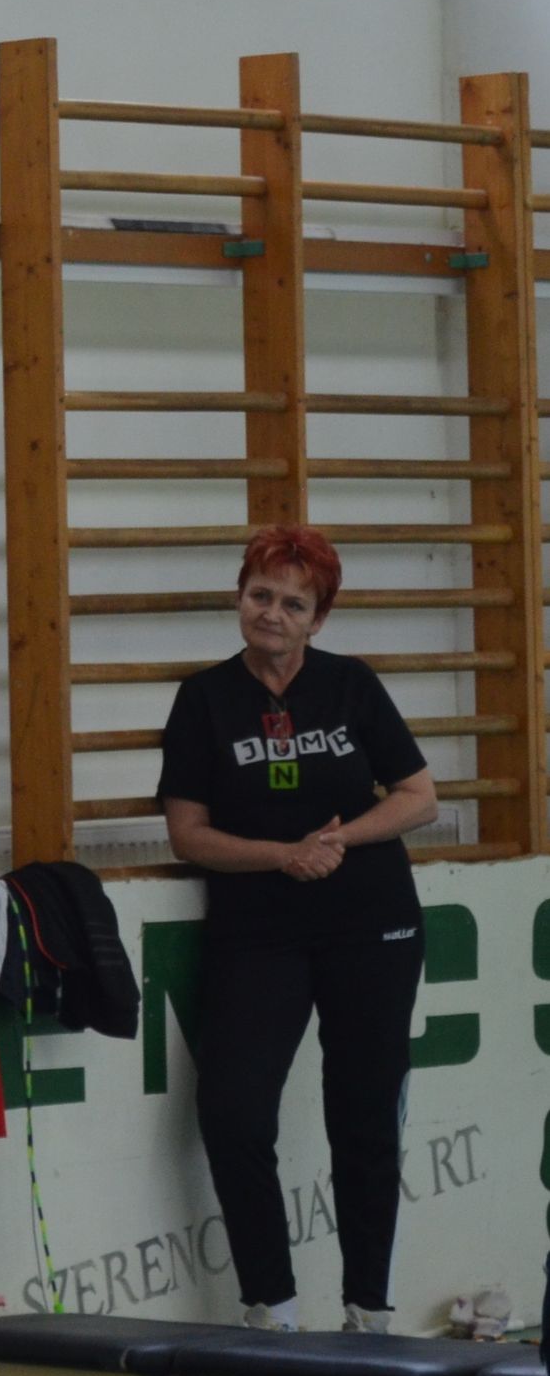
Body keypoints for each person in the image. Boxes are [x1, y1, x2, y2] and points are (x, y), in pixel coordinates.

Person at [158, 525, 437, 1334]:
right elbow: (187, 834)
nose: (271, 614)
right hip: (259, 933)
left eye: (291, 604)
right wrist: (282, 855)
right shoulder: (203, 699)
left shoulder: (351, 685)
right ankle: (270, 1305)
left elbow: (418, 797)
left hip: (370, 923)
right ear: (238, 598)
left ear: (318, 619)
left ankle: (367, 1309)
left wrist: (338, 840)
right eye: (259, 596)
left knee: (363, 1113)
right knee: (234, 1111)